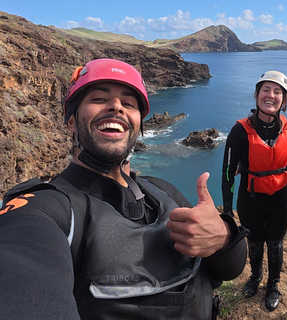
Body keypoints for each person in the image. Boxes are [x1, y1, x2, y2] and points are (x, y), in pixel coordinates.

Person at [0, 58, 248, 320]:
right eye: (98, 98)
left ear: (138, 126)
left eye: (128, 103)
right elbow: (22, 263)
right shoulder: (49, 209)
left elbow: (232, 268)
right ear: (71, 121)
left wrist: (223, 235)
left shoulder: (162, 190)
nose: (116, 107)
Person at [221, 71, 287, 311]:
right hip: (251, 199)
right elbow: (228, 173)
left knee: (275, 243)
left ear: (284, 100)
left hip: (280, 199)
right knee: (255, 242)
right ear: (256, 95)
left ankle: (273, 284)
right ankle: (255, 276)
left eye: (277, 92)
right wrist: (228, 211)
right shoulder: (240, 131)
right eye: (265, 90)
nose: (270, 96)